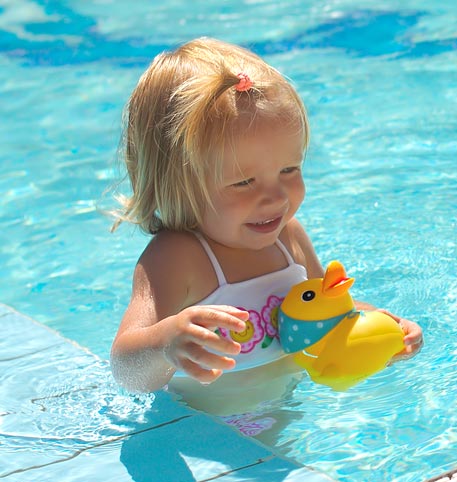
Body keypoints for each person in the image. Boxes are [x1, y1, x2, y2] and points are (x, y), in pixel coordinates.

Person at [110, 37, 423, 395]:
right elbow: (125, 371)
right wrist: (165, 344)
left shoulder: (288, 238)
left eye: (289, 169)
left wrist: (386, 325)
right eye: (243, 182)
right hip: (207, 432)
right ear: (176, 183)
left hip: (286, 412)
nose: (274, 196)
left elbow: (331, 315)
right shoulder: (178, 258)